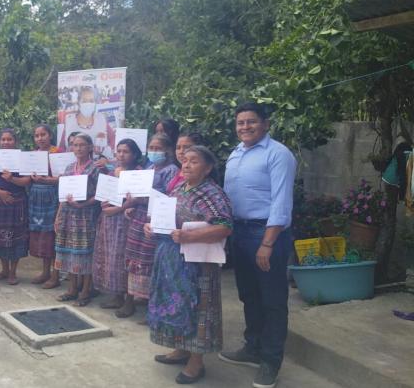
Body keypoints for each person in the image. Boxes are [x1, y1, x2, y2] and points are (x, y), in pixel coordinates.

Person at [220, 103, 297, 388]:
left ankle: (270, 361)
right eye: (240, 123)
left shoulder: (278, 154)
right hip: (239, 232)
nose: (245, 127)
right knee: (249, 295)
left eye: (251, 122)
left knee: (273, 301)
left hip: (266, 235)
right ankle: (252, 347)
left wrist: (267, 243)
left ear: (265, 124)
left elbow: (281, 201)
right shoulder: (236, 153)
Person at [146, 145, 233, 385]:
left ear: (208, 168)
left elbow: (224, 226)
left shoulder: (212, 194)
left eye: (194, 161)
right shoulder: (179, 189)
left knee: (199, 310)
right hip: (172, 260)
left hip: (198, 265)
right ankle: (180, 349)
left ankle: (196, 362)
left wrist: (190, 237)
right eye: (185, 160)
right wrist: (152, 226)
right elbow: (166, 219)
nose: (186, 164)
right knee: (177, 307)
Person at [119, 133, 180, 318]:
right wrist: (131, 204)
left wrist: (141, 199)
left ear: (168, 150)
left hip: (156, 221)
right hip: (138, 218)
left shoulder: (172, 171)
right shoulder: (148, 167)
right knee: (131, 258)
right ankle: (129, 301)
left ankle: (150, 306)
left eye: (158, 148)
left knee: (150, 262)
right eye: (151, 148)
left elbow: (169, 199)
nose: (154, 151)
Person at [93, 138, 141, 310]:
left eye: (126, 151)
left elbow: (138, 201)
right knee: (112, 259)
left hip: (128, 222)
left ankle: (130, 300)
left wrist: (123, 207)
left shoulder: (139, 174)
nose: (121, 155)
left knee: (126, 259)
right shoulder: (110, 173)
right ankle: (117, 296)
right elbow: (104, 201)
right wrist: (110, 209)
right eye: (119, 151)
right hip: (109, 222)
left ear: (135, 154)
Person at [54, 133, 101, 306]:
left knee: (85, 253)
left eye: (82, 145)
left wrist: (84, 204)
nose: (78, 148)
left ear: (90, 148)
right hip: (67, 215)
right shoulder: (68, 168)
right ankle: (72, 288)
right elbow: (62, 195)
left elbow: (100, 194)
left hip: (86, 216)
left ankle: (86, 291)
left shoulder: (96, 169)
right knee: (69, 251)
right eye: (75, 145)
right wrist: (58, 216)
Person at [0, 128, 31, 285]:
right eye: (3, 139)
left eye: (9, 139)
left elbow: (26, 181)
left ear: (15, 142)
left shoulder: (22, 158)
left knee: (17, 236)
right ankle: (4, 270)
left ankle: (13, 272)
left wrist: (12, 180)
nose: (6, 142)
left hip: (17, 202)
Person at [27, 124, 61, 287]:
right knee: (42, 235)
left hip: (53, 196)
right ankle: (45, 272)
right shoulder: (34, 154)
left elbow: (66, 177)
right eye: (37, 135)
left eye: (43, 134)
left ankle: (56, 275)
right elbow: (27, 177)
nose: (40, 138)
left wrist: (49, 180)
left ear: (50, 135)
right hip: (36, 196)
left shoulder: (59, 153)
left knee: (53, 234)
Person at [60, 86, 115, 159]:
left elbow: (114, 142)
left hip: (97, 167)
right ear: (78, 102)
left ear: (95, 103)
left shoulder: (101, 120)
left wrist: (105, 157)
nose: (88, 104)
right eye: (84, 101)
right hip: (74, 167)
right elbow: (62, 148)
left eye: (91, 101)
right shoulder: (69, 121)